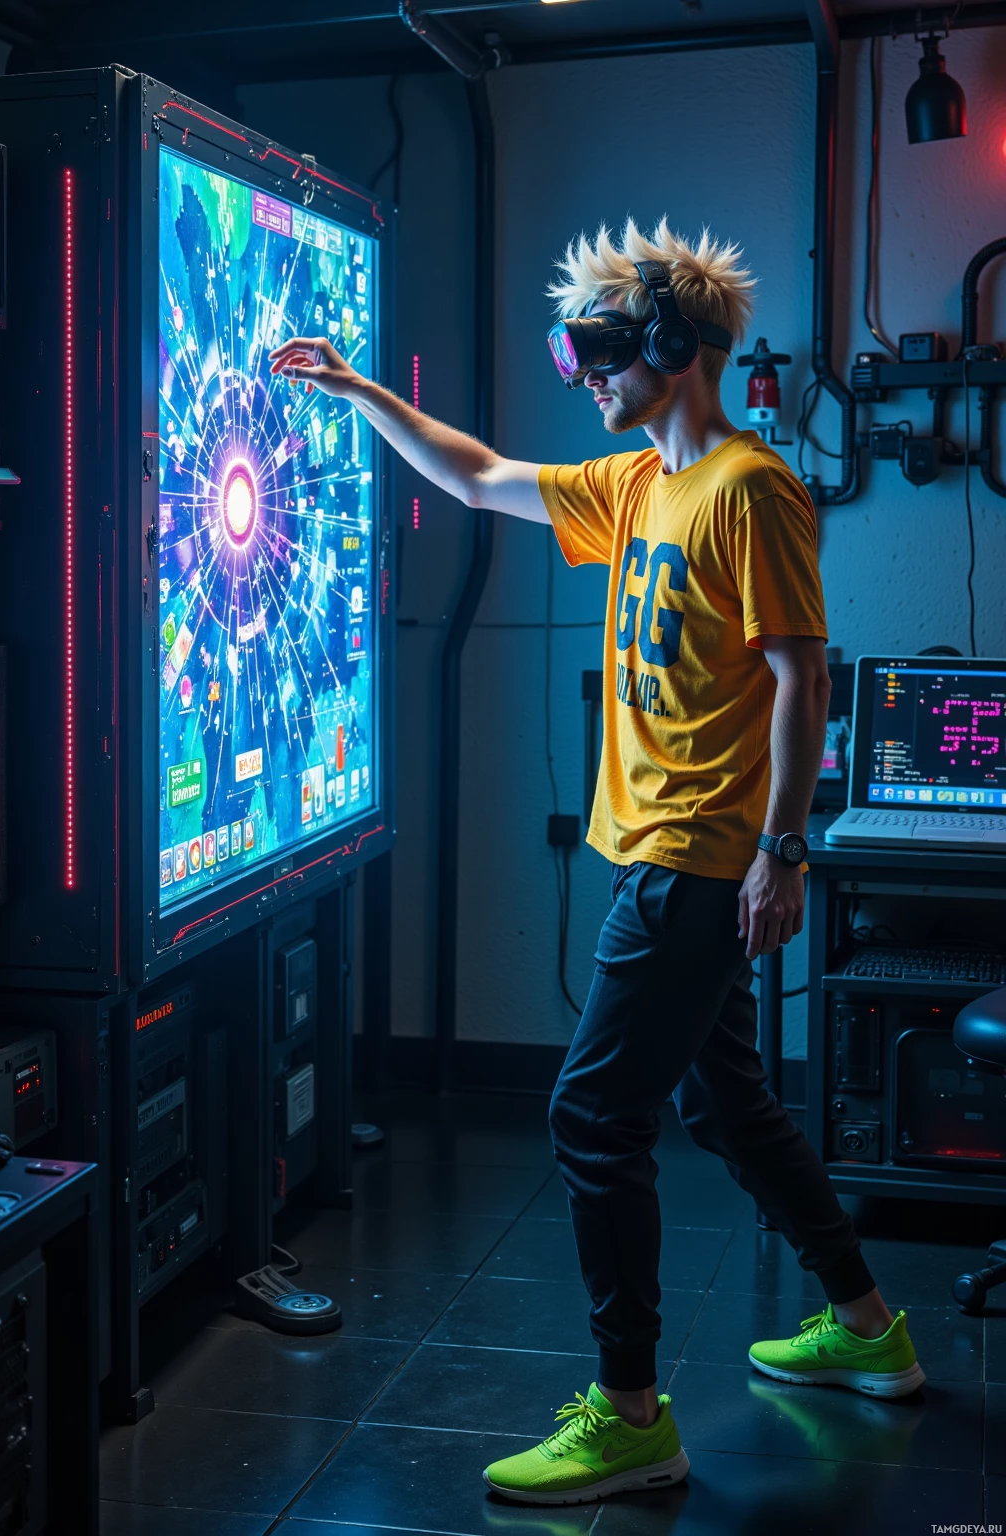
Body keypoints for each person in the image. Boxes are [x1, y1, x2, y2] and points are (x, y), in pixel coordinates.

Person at [268, 214, 925, 1509]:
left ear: (674, 348)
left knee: (587, 1115)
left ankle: (629, 1415)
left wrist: (783, 852)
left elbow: (805, 680)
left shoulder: (750, 491)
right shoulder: (632, 486)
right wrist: (360, 392)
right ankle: (867, 1329)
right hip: (662, 859)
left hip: (699, 858)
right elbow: (477, 477)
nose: (582, 376)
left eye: (602, 352)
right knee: (724, 1104)